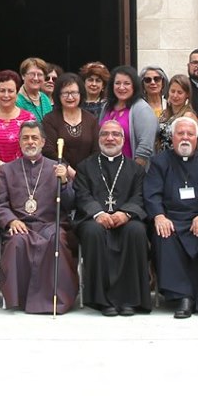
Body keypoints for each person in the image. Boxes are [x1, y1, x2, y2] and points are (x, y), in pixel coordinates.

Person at [144, 117, 198, 318]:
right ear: (172, 138)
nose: (185, 138)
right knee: (164, 235)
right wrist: (158, 216)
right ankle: (183, 297)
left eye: (190, 134)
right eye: (180, 134)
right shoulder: (159, 162)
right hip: (170, 218)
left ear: (197, 138)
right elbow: (151, 193)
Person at [0, 120, 76, 313]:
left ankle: (55, 299)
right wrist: (11, 220)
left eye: (34, 138)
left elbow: (70, 203)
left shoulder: (57, 168)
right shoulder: (7, 170)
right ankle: (19, 299)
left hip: (50, 224)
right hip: (20, 224)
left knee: (57, 240)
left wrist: (64, 182)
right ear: (19, 142)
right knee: (16, 242)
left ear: (42, 142)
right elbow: (0, 202)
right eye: (25, 138)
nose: (30, 142)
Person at [73, 118, 149, 315]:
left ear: (123, 140)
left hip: (126, 219)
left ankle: (130, 300)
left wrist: (126, 213)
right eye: (105, 134)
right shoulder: (85, 167)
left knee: (136, 230)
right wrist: (98, 213)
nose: (110, 138)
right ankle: (102, 300)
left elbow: (140, 195)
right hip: (94, 219)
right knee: (93, 231)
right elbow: (82, 194)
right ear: (99, 139)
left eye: (115, 134)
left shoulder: (136, 169)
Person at [100, 66, 158, 164]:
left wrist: (133, 174)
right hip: (106, 169)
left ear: (134, 86)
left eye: (126, 83)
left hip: (131, 172)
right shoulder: (106, 107)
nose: (121, 87)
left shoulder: (142, 109)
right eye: (117, 83)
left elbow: (145, 149)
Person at [41, 72, 96, 171]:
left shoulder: (91, 120)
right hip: (58, 175)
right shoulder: (49, 119)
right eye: (65, 93)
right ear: (58, 95)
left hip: (88, 176)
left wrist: (83, 175)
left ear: (81, 94)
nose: (70, 97)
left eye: (74, 93)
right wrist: (70, 172)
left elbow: (96, 151)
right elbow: (48, 151)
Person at [157, 72, 197, 143]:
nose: (175, 95)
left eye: (179, 92)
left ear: (187, 94)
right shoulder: (165, 113)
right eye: (172, 91)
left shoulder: (188, 116)